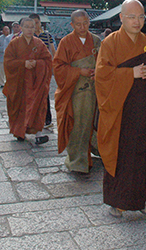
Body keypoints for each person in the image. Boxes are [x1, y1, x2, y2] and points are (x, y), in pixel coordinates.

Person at [95, 0, 146, 217]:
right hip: (122, 111)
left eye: (141, 17)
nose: (137, 22)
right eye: (131, 17)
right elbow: (102, 76)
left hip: (145, 112)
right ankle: (117, 201)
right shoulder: (110, 43)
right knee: (123, 156)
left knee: (145, 155)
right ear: (121, 18)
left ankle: (140, 200)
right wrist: (131, 73)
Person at [53, 10, 101, 173]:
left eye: (86, 23)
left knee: (91, 122)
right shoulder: (66, 42)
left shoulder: (95, 40)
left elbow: (104, 62)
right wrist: (79, 71)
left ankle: (88, 154)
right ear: (72, 25)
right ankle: (76, 160)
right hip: (75, 91)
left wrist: (98, 72)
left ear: (89, 22)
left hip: (94, 90)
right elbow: (58, 67)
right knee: (77, 124)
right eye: (78, 24)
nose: (83, 27)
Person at [3, 18, 52, 144]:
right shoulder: (14, 43)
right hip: (19, 82)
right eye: (26, 27)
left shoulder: (39, 43)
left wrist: (37, 63)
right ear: (21, 28)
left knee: (38, 106)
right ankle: (20, 131)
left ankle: (38, 134)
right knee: (19, 107)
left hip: (35, 83)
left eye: (32, 27)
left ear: (35, 28)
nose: (29, 30)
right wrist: (23, 63)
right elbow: (8, 62)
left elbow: (47, 60)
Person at [29, 13, 56, 129]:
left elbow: (53, 50)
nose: (35, 25)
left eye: (37, 22)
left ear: (40, 22)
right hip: (32, 68)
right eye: (33, 23)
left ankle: (47, 119)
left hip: (44, 67)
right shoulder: (28, 36)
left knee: (44, 93)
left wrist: (55, 64)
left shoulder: (47, 35)